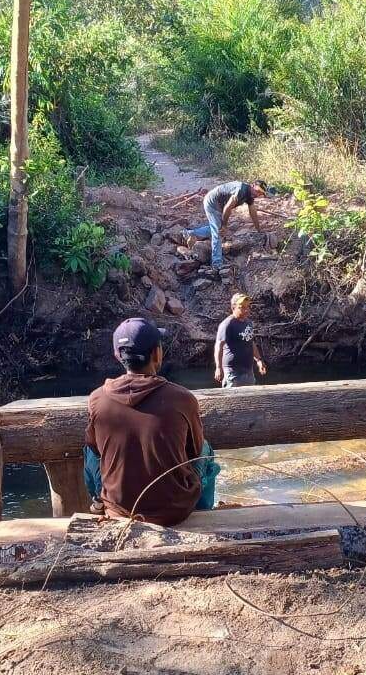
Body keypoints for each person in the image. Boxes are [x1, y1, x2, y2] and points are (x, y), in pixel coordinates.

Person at [84, 317, 220, 525]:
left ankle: (99, 501)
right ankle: (201, 510)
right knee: (206, 449)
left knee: (91, 449)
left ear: (117, 355)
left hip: (120, 510)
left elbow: (95, 450)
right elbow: (194, 452)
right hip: (174, 512)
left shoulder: (97, 399)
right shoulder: (182, 398)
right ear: (157, 354)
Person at [184, 179, 269, 274]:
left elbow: (253, 212)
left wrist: (258, 229)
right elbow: (227, 208)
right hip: (212, 203)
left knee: (215, 228)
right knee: (218, 232)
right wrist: (224, 225)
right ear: (252, 186)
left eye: (260, 193)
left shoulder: (250, 195)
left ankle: (190, 233)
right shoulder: (240, 191)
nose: (257, 194)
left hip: (219, 204)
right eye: (257, 191)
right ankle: (217, 264)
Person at [215, 292, 267, 387]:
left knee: (249, 400)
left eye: (247, 307)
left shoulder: (248, 323)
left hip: (248, 371)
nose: (246, 310)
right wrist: (218, 367)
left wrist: (259, 360)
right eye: (242, 307)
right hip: (232, 372)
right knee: (231, 400)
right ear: (233, 307)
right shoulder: (227, 324)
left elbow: (250, 342)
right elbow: (219, 346)